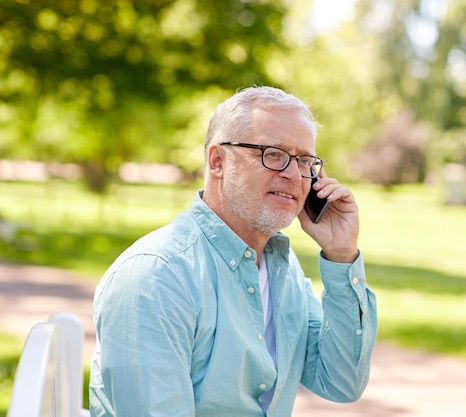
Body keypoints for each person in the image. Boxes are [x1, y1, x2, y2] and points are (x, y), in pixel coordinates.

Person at [89, 86, 378, 416]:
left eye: (304, 161)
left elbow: (340, 381)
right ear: (217, 161)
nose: (293, 175)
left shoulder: (283, 269)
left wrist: (341, 255)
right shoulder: (156, 277)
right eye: (273, 154)